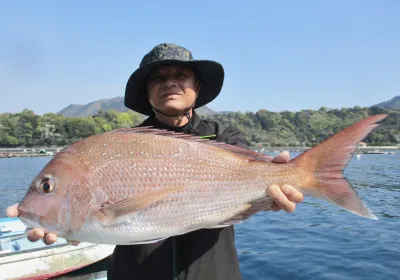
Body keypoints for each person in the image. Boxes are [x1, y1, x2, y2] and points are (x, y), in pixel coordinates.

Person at [6, 43, 304, 280]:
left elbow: (254, 186)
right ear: (147, 92)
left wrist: (273, 194)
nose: (170, 83)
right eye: (158, 78)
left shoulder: (224, 136)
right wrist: (69, 227)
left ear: (196, 86)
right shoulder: (122, 142)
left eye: (180, 76)